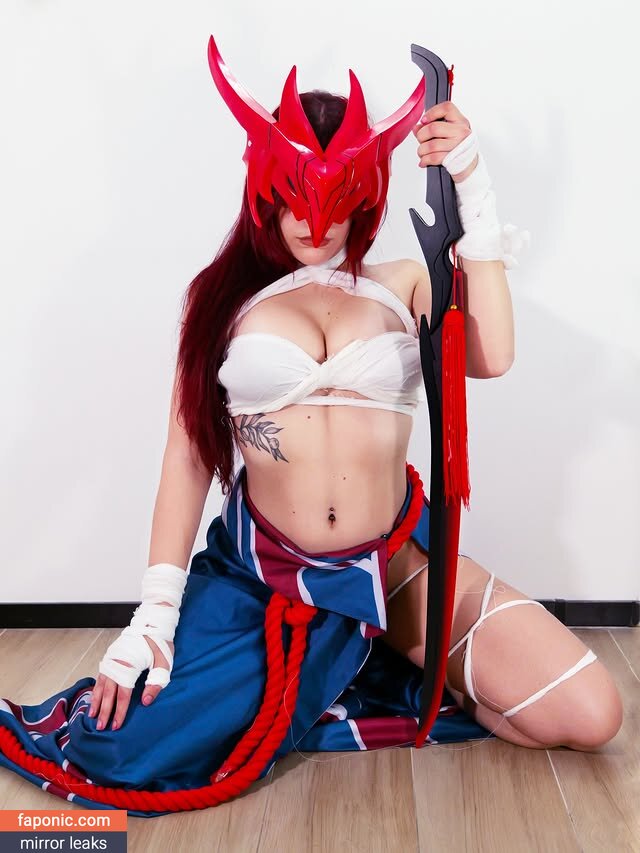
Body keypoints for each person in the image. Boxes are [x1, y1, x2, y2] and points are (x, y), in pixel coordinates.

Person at [0, 37, 623, 818]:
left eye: (338, 200)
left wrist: (473, 185)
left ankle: (363, 657)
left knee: (591, 712)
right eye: (296, 198)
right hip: (266, 582)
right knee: (118, 749)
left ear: (366, 196)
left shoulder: (403, 283)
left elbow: (491, 354)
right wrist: (154, 613)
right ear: (266, 190)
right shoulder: (224, 300)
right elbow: (187, 459)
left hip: (392, 571)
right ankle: (340, 670)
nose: (316, 223)